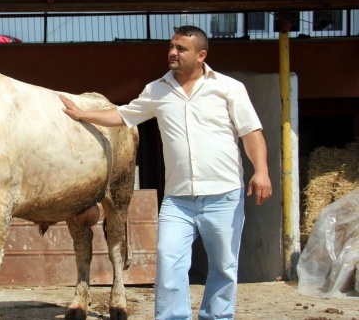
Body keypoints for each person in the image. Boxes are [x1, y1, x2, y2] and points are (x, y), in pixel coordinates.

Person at [59, 25, 272, 320]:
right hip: (178, 200)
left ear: (201, 55)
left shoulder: (228, 88)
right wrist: (83, 114)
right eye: (171, 47)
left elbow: (251, 133)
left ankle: (217, 317)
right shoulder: (157, 89)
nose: (172, 53)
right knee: (169, 263)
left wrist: (260, 171)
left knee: (224, 266)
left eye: (181, 48)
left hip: (224, 195)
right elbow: (123, 115)